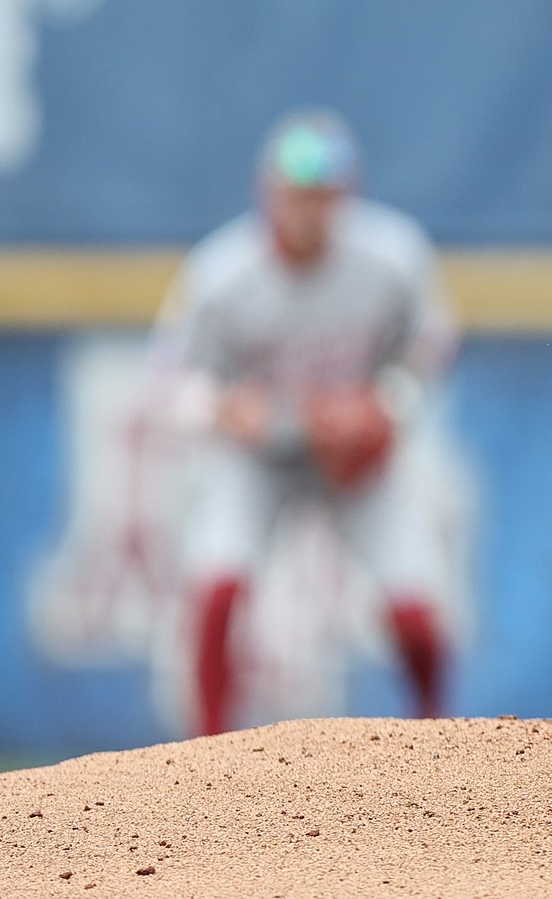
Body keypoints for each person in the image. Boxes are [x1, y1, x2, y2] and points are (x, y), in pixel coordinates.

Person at [153, 109, 458, 734]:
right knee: (217, 587)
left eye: (322, 194)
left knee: (417, 612)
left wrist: (382, 406)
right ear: (266, 192)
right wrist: (225, 410)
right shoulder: (223, 273)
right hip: (259, 456)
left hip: (352, 460)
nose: (307, 208)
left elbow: (429, 349)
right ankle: (204, 759)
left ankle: (437, 743)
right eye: (296, 193)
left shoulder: (390, 257)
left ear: (345, 194)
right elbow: (176, 380)